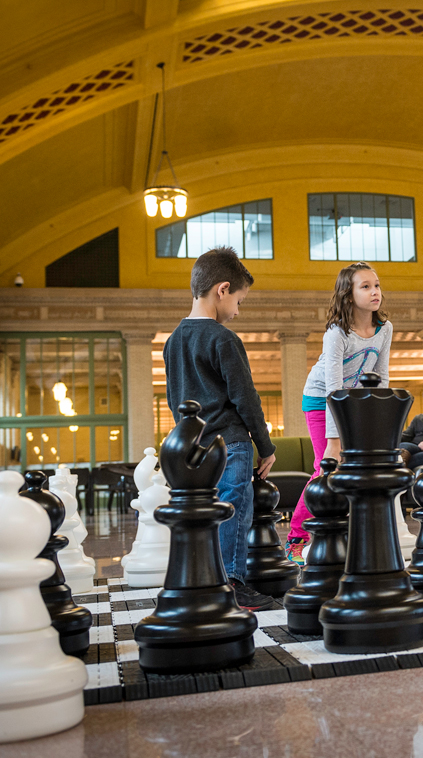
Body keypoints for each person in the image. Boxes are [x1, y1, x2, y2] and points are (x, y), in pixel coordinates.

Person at [163, 247, 279, 611]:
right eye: (240, 302)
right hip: (229, 444)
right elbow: (246, 399)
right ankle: (231, 583)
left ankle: (205, 579)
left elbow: (172, 399)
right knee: (233, 510)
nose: (238, 311)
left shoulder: (172, 341)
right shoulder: (224, 339)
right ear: (223, 289)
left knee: (204, 515)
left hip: (190, 449)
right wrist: (266, 446)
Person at [284, 262, 393, 563]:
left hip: (354, 402)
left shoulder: (384, 329)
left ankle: (348, 534)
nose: (375, 292)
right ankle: (296, 537)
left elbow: (381, 379)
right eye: (366, 286)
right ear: (348, 294)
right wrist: (334, 438)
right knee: (325, 466)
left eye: (377, 285)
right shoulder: (337, 332)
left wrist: (379, 424)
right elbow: (333, 388)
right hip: (321, 399)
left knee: (355, 468)